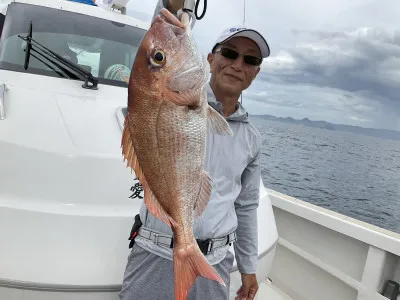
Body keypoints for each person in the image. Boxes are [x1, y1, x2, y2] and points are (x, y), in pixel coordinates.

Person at [119, 1, 270, 299]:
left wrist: (248, 265)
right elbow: (158, 51)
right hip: (154, 251)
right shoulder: (175, 96)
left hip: (215, 261)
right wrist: (173, 8)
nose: (238, 64)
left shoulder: (251, 138)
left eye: (250, 60)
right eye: (229, 53)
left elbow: (247, 205)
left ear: (255, 73)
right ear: (209, 59)